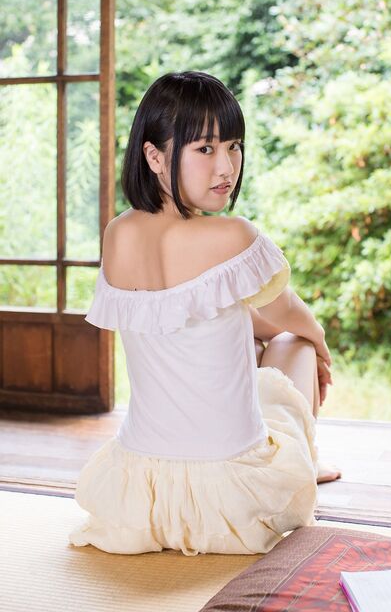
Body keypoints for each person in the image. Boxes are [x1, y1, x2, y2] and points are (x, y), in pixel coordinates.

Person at [68, 70, 340, 557]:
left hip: (143, 500)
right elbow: (288, 314)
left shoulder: (117, 234)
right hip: (232, 499)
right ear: (154, 156)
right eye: (205, 149)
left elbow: (201, 314)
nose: (226, 166)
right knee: (294, 343)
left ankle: (299, 457)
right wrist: (319, 340)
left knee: (253, 339)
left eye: (234, 146)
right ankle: (302, 462)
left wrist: (257, 335)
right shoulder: (232, 235)